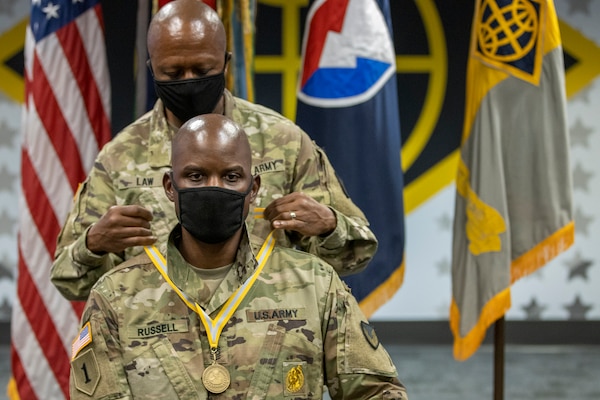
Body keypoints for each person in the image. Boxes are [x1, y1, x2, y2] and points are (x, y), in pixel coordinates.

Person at [51, 0, 377, 301]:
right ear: (153, 70)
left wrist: (330, 224)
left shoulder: (284, 142)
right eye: (174, 73)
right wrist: (93, 245)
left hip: (269, 342)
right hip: (156, 350)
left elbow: (358, 252)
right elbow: (67, 278)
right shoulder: (119, 158)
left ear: (225, 62)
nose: (189, 80)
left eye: (203, 70)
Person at [69, 114, 407, 399]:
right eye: (196, 176)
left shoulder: (314, 285)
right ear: (170, 187)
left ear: (254, 189)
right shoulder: (115, 297)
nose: (213, 188)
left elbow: (378, 393)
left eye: (231, 177)